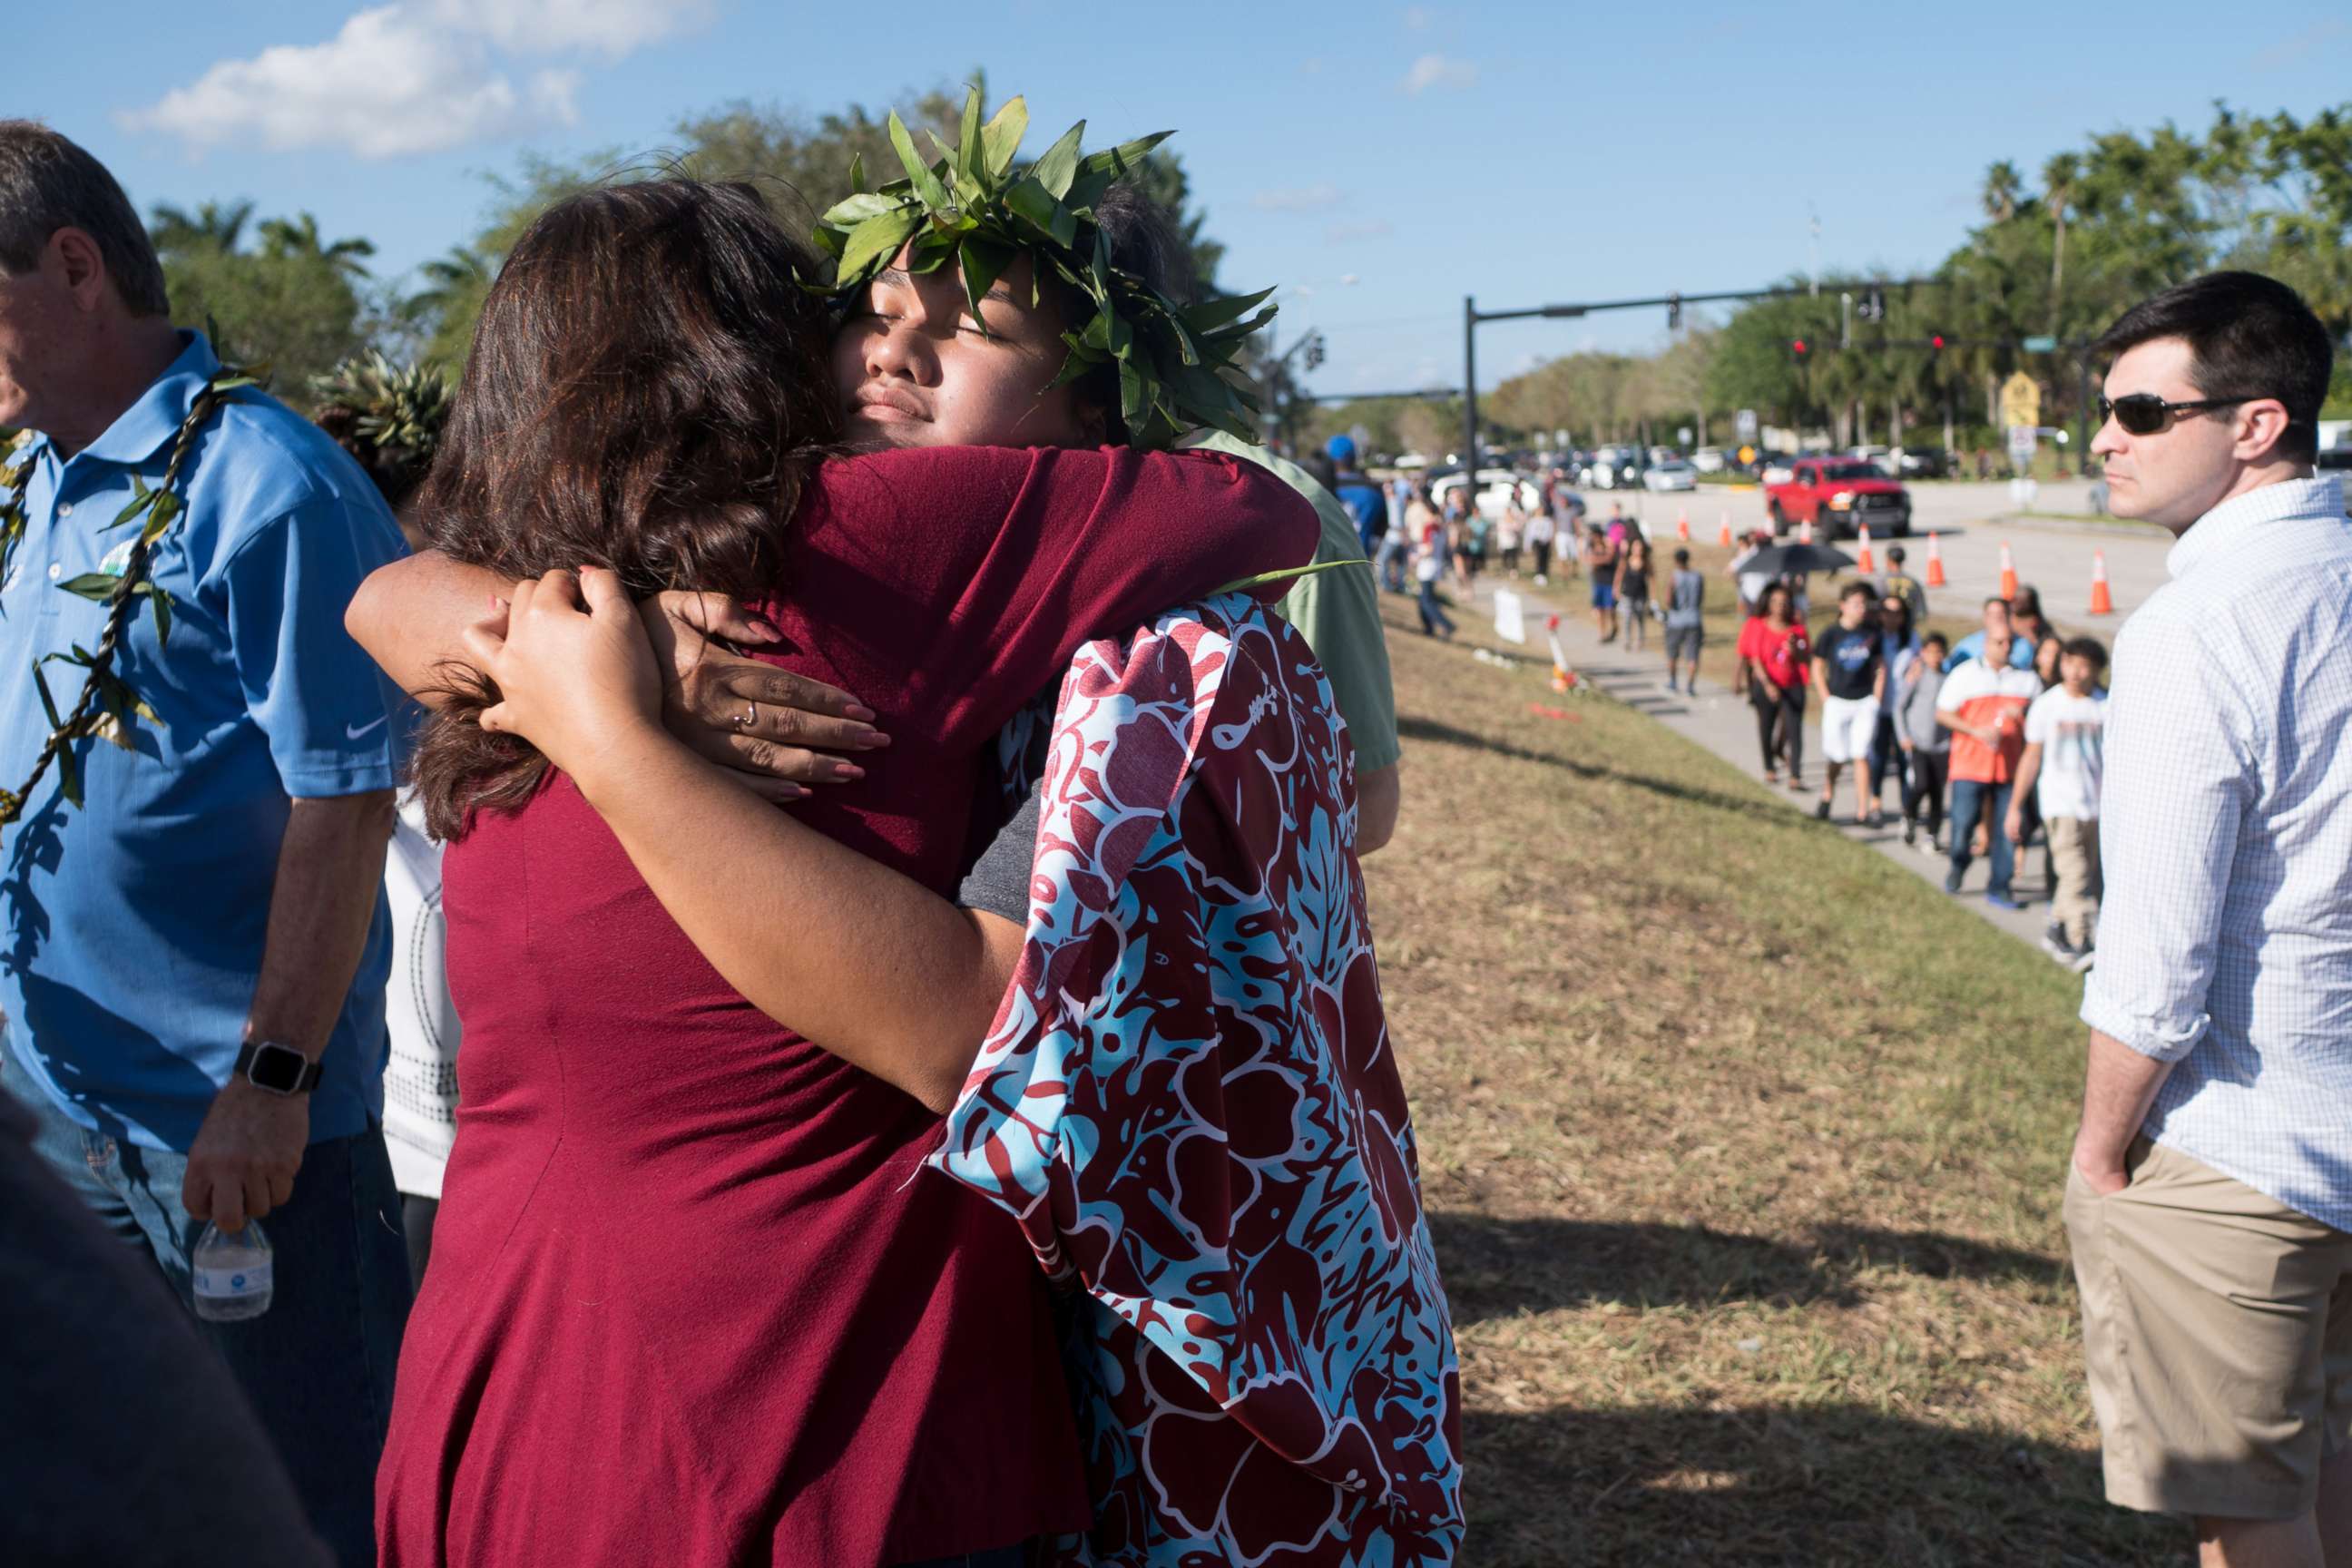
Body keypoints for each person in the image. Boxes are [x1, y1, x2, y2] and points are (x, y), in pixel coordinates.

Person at [353, 174, 1454, 1564]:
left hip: (501, 1375)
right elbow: (1256, 507)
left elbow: (372, 593)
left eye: (963, 325)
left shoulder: (506, 660)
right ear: (756, 355)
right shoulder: (873, 549)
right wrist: (626, 730)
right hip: (803, 1399)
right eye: (864, 313)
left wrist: (552, 655)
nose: (888, 352)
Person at [0, 122, 411, 1564]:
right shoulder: (31, 479)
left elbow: (346, 798)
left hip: (235, 1144)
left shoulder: (272, 483)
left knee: (288, 1509)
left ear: (72, 265)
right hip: (54, 1117)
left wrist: (272, 1081)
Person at [2063, 271, 2352, 1568]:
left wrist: (2099, 1153)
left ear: (2255, 424)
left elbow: (2157, 962)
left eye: (2139, 408)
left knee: (2251, 1510)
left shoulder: (2197, 624)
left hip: (2245, 1143)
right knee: (2331, 1465)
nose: (2103, 437)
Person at [2007, 635, 2106, 970]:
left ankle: (2055, 926)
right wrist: (2016, 805)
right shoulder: (2048, 705)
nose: (2076, 672)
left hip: (2096, 806)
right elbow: (2031, 756)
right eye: (2070, 662)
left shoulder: (2104, 705)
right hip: (2060, 803)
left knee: (2084, 874)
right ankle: (2081, 940)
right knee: (2074, 874)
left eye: (2084, 665)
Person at [1936, 623, 2041, 907]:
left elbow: (2039, 728)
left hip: (2009, 769)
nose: (2005, 648)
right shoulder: (1964, 675)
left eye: (2010, 642)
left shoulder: (2027, 680)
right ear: (1985, 644)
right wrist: (1974, 730)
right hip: (1970, 765)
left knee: (2007, 830)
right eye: (1999, 642)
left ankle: (2000, 885)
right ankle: (1958, 864)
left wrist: (2022, 716)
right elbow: (1943, 713)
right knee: (1963, 824)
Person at [1811, 582, 1886, 825]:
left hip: (1864, 702)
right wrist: (1825, 697)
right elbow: (1817, 665)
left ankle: (1862, 810)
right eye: (1856, 604)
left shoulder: (1872, 633)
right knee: (1837, 756)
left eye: (1864, 604)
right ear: (1843, 606)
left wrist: (1876, 698)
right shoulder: (1831, 634)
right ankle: (1828, 792)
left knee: (1860, 754)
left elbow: (1880, 667)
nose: (1861, 609)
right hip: (1838, 701)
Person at [1738, 581, 1810, 788]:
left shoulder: (1797, 630)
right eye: (1775, 602)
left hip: (1793, 685)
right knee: (1766, 726)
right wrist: (1768, 685)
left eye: (1784, 602)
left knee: (1793, 729)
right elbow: (1755, 659)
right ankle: (1769, 766)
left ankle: (1795, 774)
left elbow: (1806, 659)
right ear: (1769, 604)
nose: (1780, 606)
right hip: (1766, 684)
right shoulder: (1758, 625)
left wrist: (1795, 650)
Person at [1896, 631, 1951, 851]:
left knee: (1937, 791)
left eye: (1939, 652)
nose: (1935, 657)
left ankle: (1932, 834)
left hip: (1941, 745)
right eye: (1930, 652)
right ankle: (1909, 815)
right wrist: (1903, 735)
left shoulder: (1949, 680)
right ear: (1923, 653)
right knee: (1920, 784)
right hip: (1918, 742)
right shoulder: (1917, 676)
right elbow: (1899, 707)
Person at [1869, 593, 1921, 820]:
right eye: (1887, 612)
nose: (1891, 617)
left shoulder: (1911, 639)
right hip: (1879, 707)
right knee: (1878, 757)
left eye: (1897, 613)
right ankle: (1875, 800)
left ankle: (1906, 806)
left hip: (1903, 710)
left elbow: (1919, 665)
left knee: (1903, 759)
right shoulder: (1873, 638)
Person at [1324, 434, 1389, 560]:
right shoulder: (1373, 491)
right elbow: (1380, 534)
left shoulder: (1320, 490)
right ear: (1353, 458)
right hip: (1360, 565)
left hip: (1326, 567)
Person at [1943, 594, 2038, 671]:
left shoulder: (2023, 645)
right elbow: (1947, 668)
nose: (1997, 618)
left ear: (2009, 616)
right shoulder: (1967, 645)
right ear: (1985, 617)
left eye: (2001, 614)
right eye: (1992, 614)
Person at [1663, 546, 1706, 694]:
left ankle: (1673, 682)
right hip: (1694, 618)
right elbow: (1700, 598)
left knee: (1672, 653)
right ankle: (1690, 686)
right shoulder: (1697, 576)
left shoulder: (1675, 576)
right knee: (1693, 655)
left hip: (1676, 620)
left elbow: (1668, 599)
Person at [1414, 522, 1456, 639]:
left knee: (1427, 602)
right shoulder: (1441, 530)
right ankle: (1429, 629)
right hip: (1435, 569)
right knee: (1423, 602)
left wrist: (1417, 556)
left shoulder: (1429, 528)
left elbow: (1429, 549)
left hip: (1427, 569)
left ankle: (1447, 625)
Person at [1615, 535, 1653, 652]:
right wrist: (1616, 588)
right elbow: (1619, 575)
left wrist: (1652, 596)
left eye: (1640, 547)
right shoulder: (1626, 561)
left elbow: (1652, 579)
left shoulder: (1646, 562)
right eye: (1636, 547)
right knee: (1627, 618)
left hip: (1641, 594)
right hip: (1628, 594)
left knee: (1640, 618)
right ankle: (1627, 640)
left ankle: (1640, 640)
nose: (1638, 550)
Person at [1585, 517, 1619, 639]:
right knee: (1600, 610)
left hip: (1609, 581)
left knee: (1610, 609)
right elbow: (1590, 560)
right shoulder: (1592, 546)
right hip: (1598, 582)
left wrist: (1598, 560)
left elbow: (1609, 559)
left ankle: (1614, 626)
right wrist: (1600, 560)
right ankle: (1602, 633)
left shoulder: (1607, 544)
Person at [1882, 543, 1928, 621]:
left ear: (1889, 560)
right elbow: (1921, 612)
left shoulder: (1882, 581)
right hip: (1908, 626)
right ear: (1903, 560)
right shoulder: (1914, 582)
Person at [1524, 491, 1556, 583]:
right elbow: (1529, 534)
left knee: (1545, 558)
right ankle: (1539, 573)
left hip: (1545, 542)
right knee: (1539, 557)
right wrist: (1527, 545)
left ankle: (1544, 573)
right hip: (1537, 541)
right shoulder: (1532, 521)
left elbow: (1550, 532)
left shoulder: (1547, 521)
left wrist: (1551, 541)